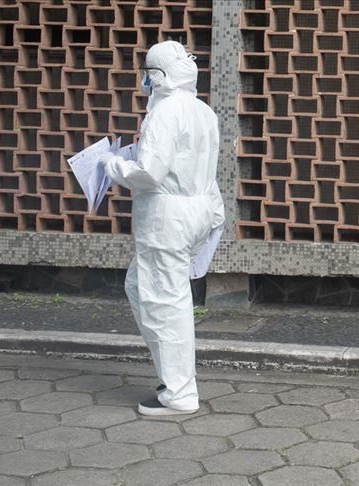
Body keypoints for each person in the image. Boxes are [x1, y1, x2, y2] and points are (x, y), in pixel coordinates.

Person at [99, 40, 224, 416]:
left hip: (168, 217)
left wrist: (110, 164)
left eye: (147, 74)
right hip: (199, 208)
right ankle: (172, 373)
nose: (144, 81)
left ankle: (179, 393)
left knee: (166, 302)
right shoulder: (203, 111)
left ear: (157, 76)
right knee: (141, 288)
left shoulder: (164, 112)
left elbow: (150, 173)